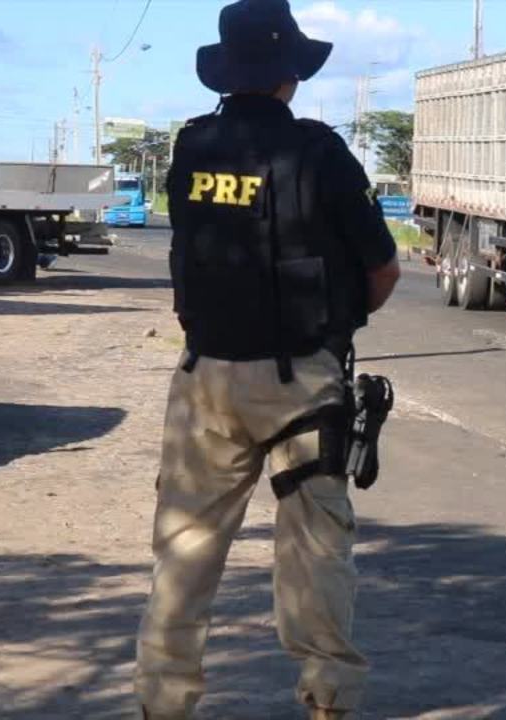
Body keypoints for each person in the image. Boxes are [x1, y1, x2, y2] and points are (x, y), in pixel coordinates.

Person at [134, 1, 400, 718]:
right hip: (303, 385)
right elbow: (382, 269)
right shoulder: (321, 153)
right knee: (315, 552)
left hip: (206, 380)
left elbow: (185, 259)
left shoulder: (191, 149)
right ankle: (328, 701)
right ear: (290, 74)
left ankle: (163, 704)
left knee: (183, 556)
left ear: (228, 71)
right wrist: (333, 322)